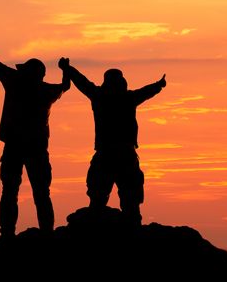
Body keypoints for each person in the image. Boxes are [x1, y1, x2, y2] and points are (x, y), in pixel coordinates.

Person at [0, 36, 70, 236]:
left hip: (15, 146)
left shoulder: (15, 80)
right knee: (40, 193)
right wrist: (65, 71)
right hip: (35, 148)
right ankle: (45, 232)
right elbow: (65, 87)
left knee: (11, 191)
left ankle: (8, 233)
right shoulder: (47, 90)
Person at [58, 57, 166, 226]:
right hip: (123, 154)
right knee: (127, 200)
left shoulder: (99, 96)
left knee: (100, 198)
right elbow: (146, 91)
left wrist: (68, 69)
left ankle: (98, 229)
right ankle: (131, 231)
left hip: (107, 154)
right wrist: (158, 85)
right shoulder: (127, 98)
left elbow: (82, 82)